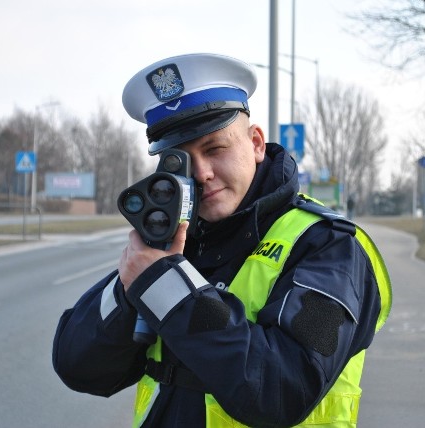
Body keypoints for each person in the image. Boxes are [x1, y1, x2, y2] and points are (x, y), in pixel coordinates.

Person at [53, 53, 392, 427]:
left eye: (215, 149)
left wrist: (168, 289)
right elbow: (76, 365)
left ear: (256, 143)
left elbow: (281, 389)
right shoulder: (181, 241)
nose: (201, 173)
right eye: (178, 159)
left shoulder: (331, 248)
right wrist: (130, 287)